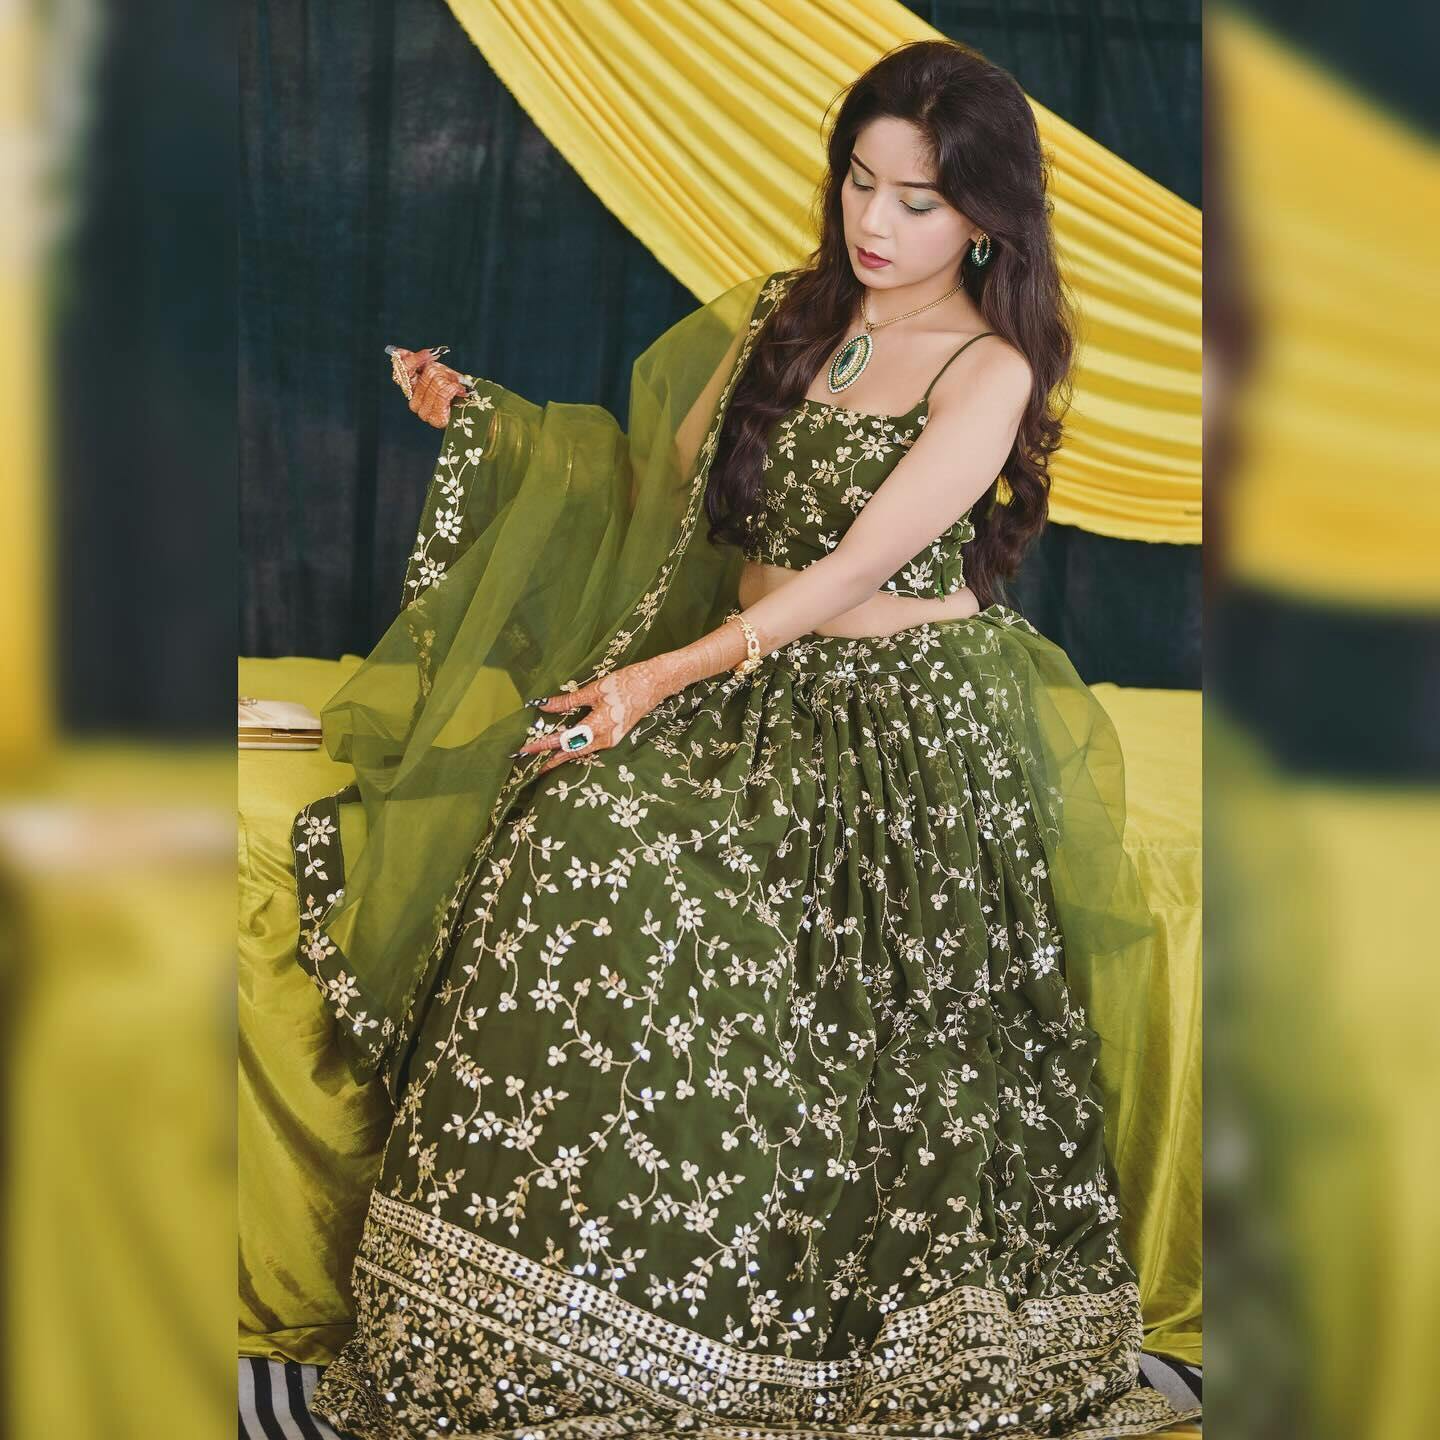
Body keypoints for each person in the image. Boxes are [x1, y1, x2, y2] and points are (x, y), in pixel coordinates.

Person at [289, 38, 1200, 1440]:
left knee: (649, 864)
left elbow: (844, 577)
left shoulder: (989, 371)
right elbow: (661, 499)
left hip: (896, 723)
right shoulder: (789, 312)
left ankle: (726, 1336)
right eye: (860, 183)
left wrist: (657, 681)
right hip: (734, 684)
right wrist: (495, 430)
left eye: (917, 202)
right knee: (563, 824)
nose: (874, 223)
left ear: (984, 219)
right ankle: (540, 1317)